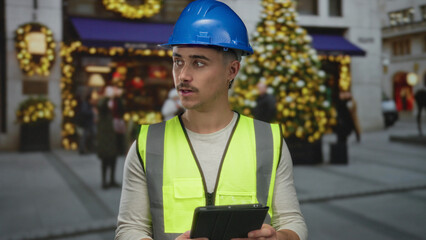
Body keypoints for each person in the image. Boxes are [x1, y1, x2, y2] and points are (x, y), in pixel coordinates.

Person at [115, 1, 307, 240]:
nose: (183, 75)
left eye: (198, 62)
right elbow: (129, 230)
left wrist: (279, 238)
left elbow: (291, 221)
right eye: (178, 61)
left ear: (232, 70)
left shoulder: (268, 141)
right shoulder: (147, 145)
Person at [96, 86, 120, 189]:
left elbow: (121, 109)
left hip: (115, 135)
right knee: (105, 160)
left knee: (114, 159)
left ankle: (112, 180)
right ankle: (104, 181)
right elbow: (101, 106)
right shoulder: (103, 104)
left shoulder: (115, 102)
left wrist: (118, 97)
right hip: (105, 136)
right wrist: (106, 97)